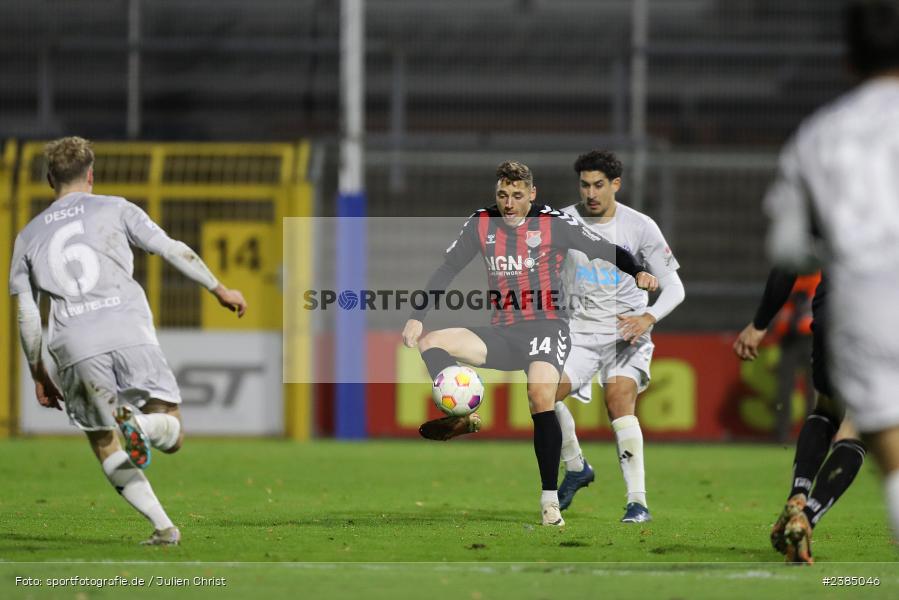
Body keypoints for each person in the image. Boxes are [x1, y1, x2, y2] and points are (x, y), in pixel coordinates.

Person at [9, 137, 247, 545]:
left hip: (74, 345)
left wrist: (38, 372)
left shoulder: (27, 237)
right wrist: (218, 288)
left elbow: (28, 314)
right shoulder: (117, 207)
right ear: (91, 175)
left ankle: (163, 527)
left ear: (50, 179)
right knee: (172, 430)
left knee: (103, 440)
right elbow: (171, 249)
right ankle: (141, 425)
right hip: (129, 329)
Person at [401, 161, 658, 527]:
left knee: (540, 396)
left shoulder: (553, 224)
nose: (508, 203)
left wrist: (638, 271)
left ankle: (549, 501)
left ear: (531, 194)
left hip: (546, 328)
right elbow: (448, 269)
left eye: (517, 196)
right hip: (504, 332)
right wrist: (417, 316)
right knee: (432, 342)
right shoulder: (481, 223)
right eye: (502, 195)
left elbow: (604, 248)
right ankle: (462, 416)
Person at [765, 0, 899, 558]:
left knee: (873, 439)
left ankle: (804, 503)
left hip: (859, 301)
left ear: (847, 60)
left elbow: (789, 249)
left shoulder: (818, 134)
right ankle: (812, 512)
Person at [550, 150, 686, 523]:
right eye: (584, 185)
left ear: (615, 185)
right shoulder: (563, 221)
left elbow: (675, 287)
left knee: (618, 398)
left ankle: (637, 502)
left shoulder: (640, 226)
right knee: (541, 397)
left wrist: (648, 316)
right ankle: (576, 466)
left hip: (627, 331)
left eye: (598, 185)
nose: (590, 193)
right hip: (578, 331)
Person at [734, 269, 865, 564]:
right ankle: (808, 516)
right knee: (855, 427)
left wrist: (760, 323)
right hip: (884, 318)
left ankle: (799, 492)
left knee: (826, 409)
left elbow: (787, 265)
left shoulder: (829, 219)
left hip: (833, 312)